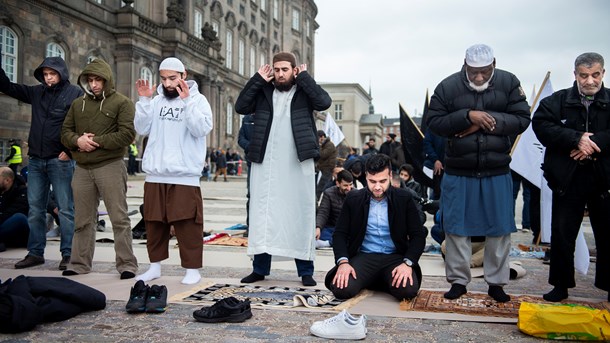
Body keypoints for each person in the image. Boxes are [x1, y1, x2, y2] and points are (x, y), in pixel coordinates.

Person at [426, 44, 530, 302]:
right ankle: (459, 281)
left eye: (485, 71)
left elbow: (522, 119)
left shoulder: (509, 82)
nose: (480, 77)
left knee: (499, 228)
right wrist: (467, 116)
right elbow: (434, 122)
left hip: (496, 169)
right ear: (465, 65)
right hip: (459, 169)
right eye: (474, 72)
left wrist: (485, 120)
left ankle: (496, 283)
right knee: (456, 227)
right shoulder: (447, 87)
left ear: (494, 63)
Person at [234, 51, 331, 286]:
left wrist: (305, 78)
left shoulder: (304, 91)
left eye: (285, 70)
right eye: (276, 70)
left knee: (300, 214)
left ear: (293, 70)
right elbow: (240, 106)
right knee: (264, 215)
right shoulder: (263, 90)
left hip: (298, 162)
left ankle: (305, 271)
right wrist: (257, 78)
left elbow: (324, 102)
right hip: (266, 163)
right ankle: (259, 269)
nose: (280, 74)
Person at [532, 52, 610, 302]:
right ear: (575, 74)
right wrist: (574, 138)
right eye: (584, 75)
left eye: (595, 75)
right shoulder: (557, 101)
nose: (590, 81)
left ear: (603, 74)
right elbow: (541, 125)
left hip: (604, 179)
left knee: (608, 235)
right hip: (568, 179)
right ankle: (560, 286)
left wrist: (592, 142)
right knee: (563, 235)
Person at [134, 57, 213, 285]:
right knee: (154, 222)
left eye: (173, 78)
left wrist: (187, 102)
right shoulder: (156, 101)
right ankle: (154, 267)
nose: (168, 84)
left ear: (183, 76)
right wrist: (144, 100)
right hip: (156, 173)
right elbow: (141, 128)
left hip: (185, 175)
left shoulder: (198, 100)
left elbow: (201, 129)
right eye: (164, 79)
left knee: (188, 224)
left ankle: (192, 269)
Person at [1, 57, 83, 271]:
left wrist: (71, 151)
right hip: (36, 160)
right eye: (45, 74)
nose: (48, 78)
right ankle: (35, 253)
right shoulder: (37, 93)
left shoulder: (75, 94)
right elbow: (8, 87)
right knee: (35, 210)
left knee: (65, 210)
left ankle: (68, 254)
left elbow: (83, 125)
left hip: (61, 160)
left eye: (52, 74)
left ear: (61, 73)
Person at [60, 58, 138, 279]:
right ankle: (79, 263)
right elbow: (65, 132)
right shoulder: (78, 104)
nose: (94, 84)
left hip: (110, 166)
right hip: (82, 169)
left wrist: (96, 141)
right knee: (82, 219)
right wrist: (77, 141)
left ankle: (126, 264)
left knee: (119, 218)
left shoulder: (122, 103)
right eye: (90, 80)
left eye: (98, 80)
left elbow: (127, 135)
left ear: (107, 80)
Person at [324, 154, 427, 301]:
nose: (377, 187)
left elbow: (418, 235)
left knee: (407, 292)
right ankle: (376, 279)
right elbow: (339, 234)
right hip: (364, 256)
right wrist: (343, 262)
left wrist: (408, 263)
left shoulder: (404, 198)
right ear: (366, 177)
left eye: (382, 181)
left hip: (395, 257)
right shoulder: (353, 199)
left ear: (390, 176)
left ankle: (378, 280)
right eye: (372, 181)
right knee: (341, 289)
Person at [315, 170, 353, 249]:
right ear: (338, 183)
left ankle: (328, 243)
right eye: (345, 185)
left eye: (350, 185)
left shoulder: (355, 194)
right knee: (319, 234)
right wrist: (318, 227)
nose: (349, 188)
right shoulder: (329, 193)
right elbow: (323, 212)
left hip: (347, 228)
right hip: (331, 228)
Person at [0, 167, 29, 252]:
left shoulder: (22, 191)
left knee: (19, 218)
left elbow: (11, 212)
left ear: (7, 180)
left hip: (18, 231)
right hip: (4, 228)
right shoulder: (2, 191)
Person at [238, 114, 254, 236]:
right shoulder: (247, 119)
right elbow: (240, 138)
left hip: (266, 162)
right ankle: (251, 226)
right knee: (251, 195)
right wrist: (250, 146)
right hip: (251, 161)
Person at [423, 129, 445, 200]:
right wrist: (435, 160)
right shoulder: (432, 128)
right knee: (436, 191)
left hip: (451, 166)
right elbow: (427, 144)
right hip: (435, 168)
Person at [316, 130, 338, 200]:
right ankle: (329, 199)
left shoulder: (329, 145)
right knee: (328, 186)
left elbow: (323, 155)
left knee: (322, 186)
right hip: (325, 168)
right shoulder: (325, 145)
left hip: (328, 168)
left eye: (318, 138)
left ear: (322, 137)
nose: (318, 141)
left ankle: (316, 199)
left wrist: (318, 147)